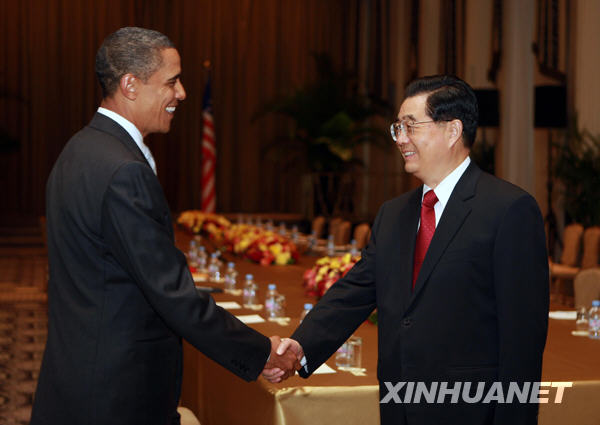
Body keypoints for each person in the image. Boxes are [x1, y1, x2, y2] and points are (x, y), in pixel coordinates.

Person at [31, 27, 298, 425]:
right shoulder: (123, 169)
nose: (182, 93)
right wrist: (262, 353)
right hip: (116, 394)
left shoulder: (79, 149)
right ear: (130, 85)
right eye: (172, 82)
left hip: (77, 373)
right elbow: (173, 295)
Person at [270, 75, 549, 425]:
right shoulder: (394, 214)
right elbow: (355, 291)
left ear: (453, 130)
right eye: (398, 128)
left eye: (411, 126)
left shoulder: (508, 209)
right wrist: (301, 346)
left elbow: (522, 340)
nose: (401, 139)